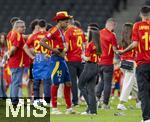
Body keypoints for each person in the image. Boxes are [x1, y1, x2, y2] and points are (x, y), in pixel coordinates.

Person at [116, 6, 150, 122]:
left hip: (140, 63)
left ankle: (146, 118)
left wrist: (123, 51)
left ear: (141, 14)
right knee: (131, 82)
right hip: (134, 62)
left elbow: (135, 44)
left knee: (142, 90)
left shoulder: (137, 26)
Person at [40, 11, 75, 114]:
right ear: (59, 21)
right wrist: (54, 50)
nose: (67, 23)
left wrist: (63, 51)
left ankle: (69, 108)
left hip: (62, 60)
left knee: (68, 83)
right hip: (56, 60)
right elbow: (42, 42)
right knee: (56, 83)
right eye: (66, 21)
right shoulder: (54, 30)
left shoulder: (61, 31)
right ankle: (54, 108)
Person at [23, 19, 51, 105]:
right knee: (46, 81)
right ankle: (47, 101)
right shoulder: (49, 35)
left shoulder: (34, 36)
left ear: (38, 27)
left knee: (36, 81)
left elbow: (25, 47)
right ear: (46, 26)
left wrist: (32, 56)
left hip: (38, 59)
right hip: (47, 58)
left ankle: (36, 100)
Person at [117, 23, 140, 110]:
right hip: (131, 63)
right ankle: (121, 103)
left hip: (123, 63)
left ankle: (139, 101)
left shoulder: (121, 40)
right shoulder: (133, 40)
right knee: (128, 84)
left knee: (134, 84)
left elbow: (119, 51)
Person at [78, 23, 100, 115]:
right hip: (96, 67)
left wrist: (82, 55)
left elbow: (87, 58)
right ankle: (93, 111)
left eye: (88, 32)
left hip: (89, 66)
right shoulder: (99, 44)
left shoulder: (90, 44)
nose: (87, 33)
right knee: (91, 89)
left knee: (81, 85)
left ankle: (91, 106)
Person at [96, 18, 118, 109]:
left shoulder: (98, 33)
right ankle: (105, 104)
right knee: (107, 83)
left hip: (99, 62)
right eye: (114, 26)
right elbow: (115, 49)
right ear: (112, 25)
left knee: (102, 81)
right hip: (108, 62)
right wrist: (122, 51)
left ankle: (96, 99)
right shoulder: (112, 35)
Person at [65, 18, 87, 106]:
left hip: (71, 59)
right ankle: (88, 100)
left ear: (68, 23)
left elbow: (66, 46)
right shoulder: (80, 31)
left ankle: (75, 102)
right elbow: (85, 44)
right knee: (82, 81)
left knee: (73, 82)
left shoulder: (68, 32)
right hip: (80, 59)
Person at [6, 20, 26, 105]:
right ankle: (14, 101)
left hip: (14, 62)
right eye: (22, 27)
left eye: (24, 26)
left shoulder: (11, 33)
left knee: (15, 81)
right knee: (16, 82)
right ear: (17, 27)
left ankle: (14, 99)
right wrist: (9, 55)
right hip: (17, 62)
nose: (24, 28)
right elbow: (14, 48)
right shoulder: (17, 35)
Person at [0, 32, 7, 99]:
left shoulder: (6, 47)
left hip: (4, 65)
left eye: (4, 38)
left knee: (3, 81)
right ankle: (1, 95)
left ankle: (4, 95)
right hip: (0, 65)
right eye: (1, 38)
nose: (3, 39)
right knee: (0, 81)